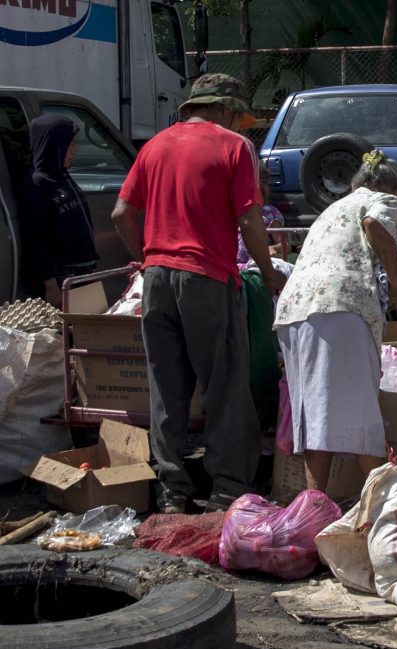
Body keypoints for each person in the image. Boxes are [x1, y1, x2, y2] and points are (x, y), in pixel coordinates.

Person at [111, 73, 288, 513]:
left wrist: (148, 258)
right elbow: (250, 220)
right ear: (225, 109)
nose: (242, 128)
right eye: (239, 118)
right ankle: (227, 490)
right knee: (226, 385)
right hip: (207, 279)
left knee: (167, 388)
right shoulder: (233, 147)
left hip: (157, 280)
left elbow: (121, 213)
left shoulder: (154, 146)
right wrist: (268, 275)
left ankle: (173, 492)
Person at [274, 149, 397, 492]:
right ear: (390, 188)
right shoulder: (381, 200)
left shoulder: (333, 209)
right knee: (361, 419)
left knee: (317, 421)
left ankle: (314, 508)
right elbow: (375, 224)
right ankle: (382, 508)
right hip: (339, 309)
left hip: (295, 312)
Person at [18, 114, 98, 305]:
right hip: (63, 278)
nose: (74, 151)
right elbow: (35, 238)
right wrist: (50, 283)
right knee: (66, 332)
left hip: (83, 272)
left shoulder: (62, 177)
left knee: (89, 329)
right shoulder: (37, 183)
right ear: (54, 145)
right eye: (70, 145)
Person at [237, 164, 290, 265]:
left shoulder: (269, 212)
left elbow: (285, 245)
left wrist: (272, 248)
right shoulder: (231, 210)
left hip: (252, 267)